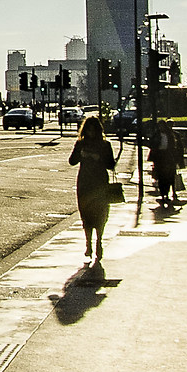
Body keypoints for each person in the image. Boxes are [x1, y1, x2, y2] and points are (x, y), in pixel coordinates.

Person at [69, 114, 119, 271]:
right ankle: (88, 243)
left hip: (99, 183)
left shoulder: (105, 145)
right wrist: (80, 154)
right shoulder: (80, 144)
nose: (90, 133)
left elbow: (111, 164)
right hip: (84, 183)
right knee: (86, 214)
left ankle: (99, 242)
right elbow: (71, 161)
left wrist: (99, 158)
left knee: (101, 214)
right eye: (88, 130)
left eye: (93, 130)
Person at [149, 125, 182, 209]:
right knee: (161, 177)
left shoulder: (169, 136)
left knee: (168, 177)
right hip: (160, 158)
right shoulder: (157, 135)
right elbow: (152, 144)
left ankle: (166, 194)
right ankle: (163, 195)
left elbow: (174, 147)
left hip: (167, 157)